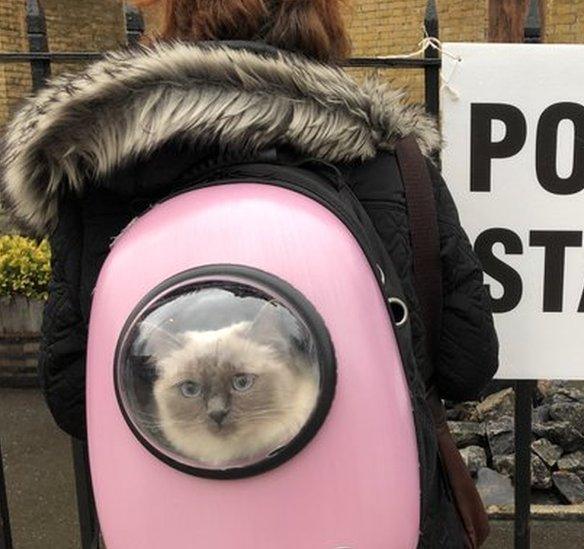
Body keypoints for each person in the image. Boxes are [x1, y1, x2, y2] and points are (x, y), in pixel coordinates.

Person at [0, 0, 498, 546]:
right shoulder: (394, 161)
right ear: (321, 21)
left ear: (175, 18)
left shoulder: (98, 172)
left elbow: (75, 397)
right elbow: (467, 364)